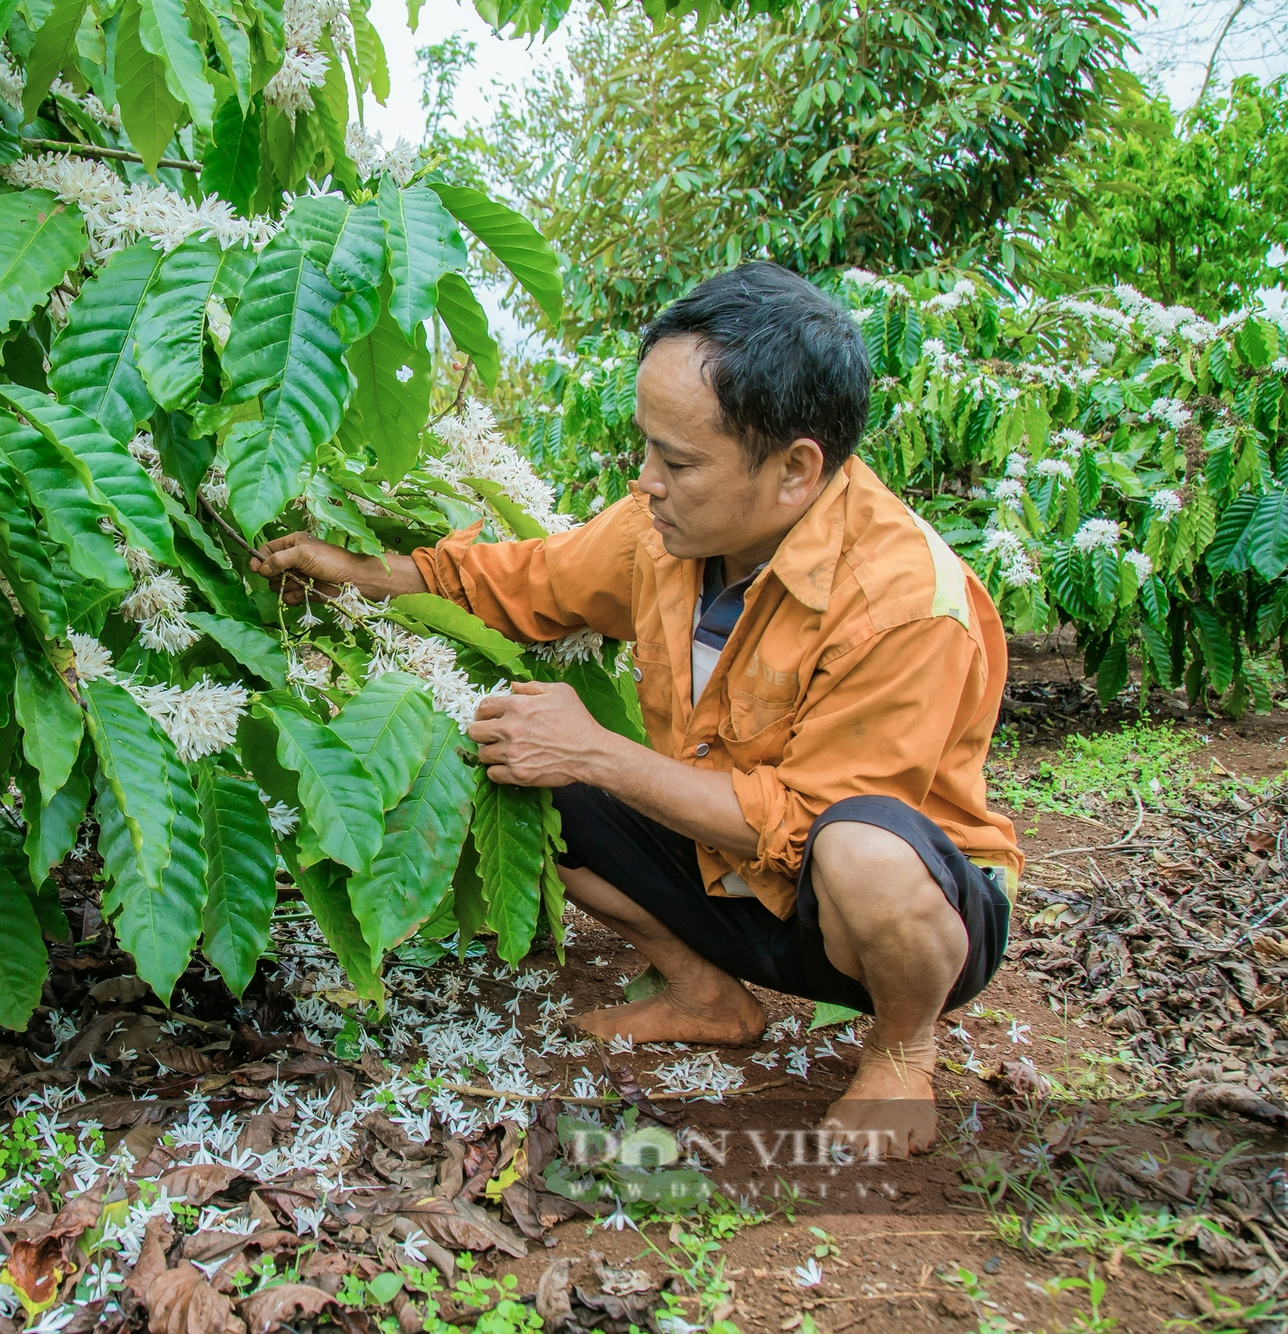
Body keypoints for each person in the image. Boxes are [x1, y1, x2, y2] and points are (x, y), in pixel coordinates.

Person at [250, 261, 1018, 1156]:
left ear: (795, 471)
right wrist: (364, 575)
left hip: (879, 917)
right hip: (724, 874)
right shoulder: (662, 535)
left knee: (864, 852)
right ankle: (708, 996)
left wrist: (600, 754)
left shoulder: (907, 604)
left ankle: (901, 1049)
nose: (645, 480)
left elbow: (807, 829)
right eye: (646, 447)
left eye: (678, 460)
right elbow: (527, 582)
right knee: (520, 774)